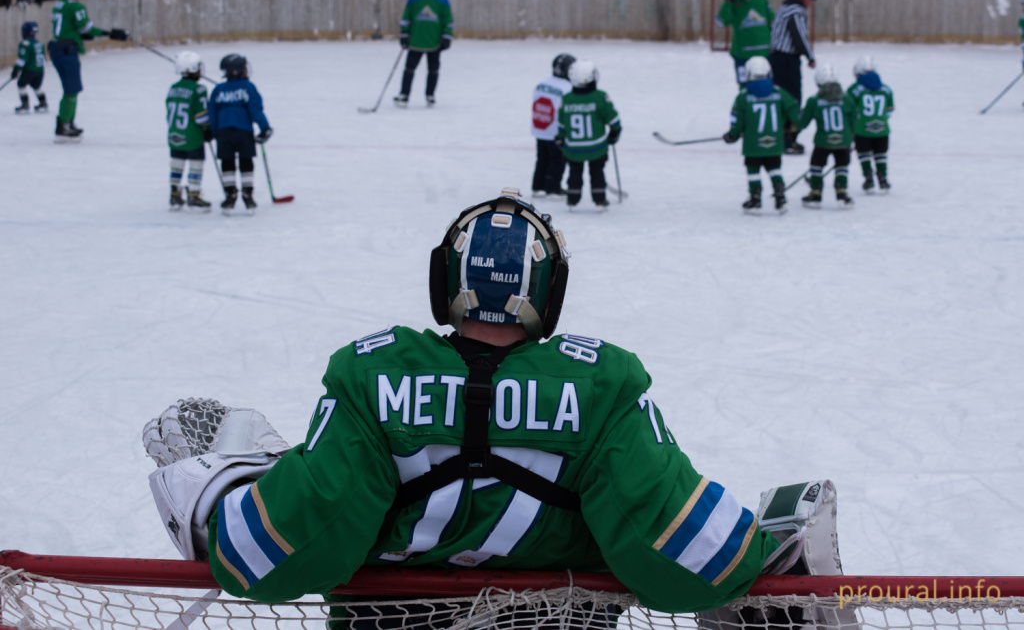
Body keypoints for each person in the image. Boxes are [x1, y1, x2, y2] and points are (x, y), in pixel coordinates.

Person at [143, 188, 847, 614]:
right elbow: (693, 558)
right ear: (549, 289)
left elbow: (275, 553)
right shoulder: (602, 385)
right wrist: (767, 551)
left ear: (445, 277)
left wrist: (220, 495)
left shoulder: (369, 375)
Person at [48, 0, 128, 140]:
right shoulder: (75, 6)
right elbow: (87, 28)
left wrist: (77, 35)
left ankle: (68, 122)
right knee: (72, 89)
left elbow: (68, 27)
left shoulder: (58, 4)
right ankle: (63, 125)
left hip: (58, 48)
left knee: (72, 89)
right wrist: (111, 33)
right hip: (66, 50)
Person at [722, 56, 799, 214]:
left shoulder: (743, 96)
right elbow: (793, 108)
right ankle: (780, 197)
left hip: (752, 143)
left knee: (753, 169)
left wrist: (733, 134)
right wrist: (792, 126)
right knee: (774, 168)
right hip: (775, 141)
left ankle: (755, 198)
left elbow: (737, 119)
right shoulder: (778, 92)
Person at [208, 53, 272, 213]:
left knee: (227, 163)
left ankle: (230, 196)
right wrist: (265, 128)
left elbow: (212, 114)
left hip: (224, 133)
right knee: (246, 162)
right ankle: (247, 195)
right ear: (238, 70)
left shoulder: (218, 90)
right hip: (244, 131)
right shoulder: (248, 87)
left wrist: (213, 132)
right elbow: (255, 110)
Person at [557, 59, 620, 210]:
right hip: (596, 148)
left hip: (573, 149)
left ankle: (572, 200)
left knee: (574, 174)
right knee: (597, 174)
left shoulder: (566, 99)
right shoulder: (600, 97)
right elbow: (613, 120)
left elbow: (561, 124)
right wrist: (614, 133)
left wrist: (560, 138)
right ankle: (599, 201)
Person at [794, 63, 854, 209]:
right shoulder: (847, 98)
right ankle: (842, 193)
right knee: (841, 166)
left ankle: (815, 193)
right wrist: (852, 136)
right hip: (844, 140)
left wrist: (793, 128)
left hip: (822, 141)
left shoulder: (814, 100)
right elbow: (853, 119)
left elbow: (803, 122)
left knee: (816, 165)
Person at [768, 0, 816, 155]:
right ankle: (788, 140)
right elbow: (799, 36)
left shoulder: (785, 6)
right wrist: (810, 56)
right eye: (812, 0)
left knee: (780, 98)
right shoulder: (796, 10)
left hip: (776, 57)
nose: (812, 5)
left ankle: (778, 136)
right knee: (792, 100)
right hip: (786, 60)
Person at [394, 0, 452, 108]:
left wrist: (446, 37)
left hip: (434, 42)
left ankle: (430, 95)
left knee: (433, 70)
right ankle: (404, 94)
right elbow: (406, 16)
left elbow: (448, 20)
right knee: (409, 69)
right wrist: (404, 34)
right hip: (415, 42)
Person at [165, 51, 212, 211]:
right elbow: (201, 118)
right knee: (196, 164)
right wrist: (209, 130)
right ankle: (194, 194)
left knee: (176, 164)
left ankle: (175, 195)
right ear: (193, 69)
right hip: (193, 137)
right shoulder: (199, 89)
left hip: (174, 135)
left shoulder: (173, 88)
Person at [844, 55, 894, 193]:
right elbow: (889, 111)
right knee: (880, 154)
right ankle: (883, 179)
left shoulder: (854, 89)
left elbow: (848, 111)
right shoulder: (886, 89)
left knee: (864, 153)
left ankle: (868, 179)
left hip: (861, 130)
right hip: (882, 129)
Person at [716, 0, 774, 85]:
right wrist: (728, 0)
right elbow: (721, 21)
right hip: (742, 54)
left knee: (766, 85)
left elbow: (773, 21)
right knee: (744, 87)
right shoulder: (733, 2)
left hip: (763, 53)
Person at [531, 53, 574, 197]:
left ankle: (538, 186)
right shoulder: (567, 87)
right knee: (557, 159)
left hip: (540, 128)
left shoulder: (542, 82)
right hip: (555, 130)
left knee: (542, 158)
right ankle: (553, 188)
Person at [11, 21, 48, 115]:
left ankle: (25, 105)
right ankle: (43, 103)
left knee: (21, 84)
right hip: (40, 70)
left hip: (30, 70)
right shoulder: (39, 43)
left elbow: (22, 58)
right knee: (36, 86)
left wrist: (16, 69)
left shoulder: (25, 43)